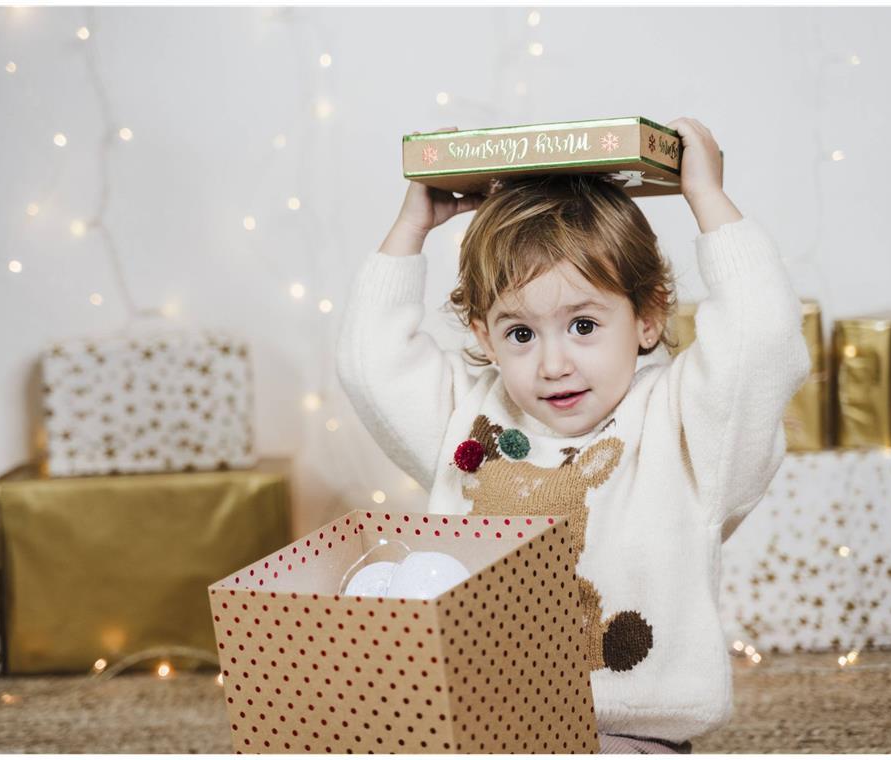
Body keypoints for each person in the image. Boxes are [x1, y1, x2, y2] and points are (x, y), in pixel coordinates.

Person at [336, 118, 810, 753]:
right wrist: (410, 229)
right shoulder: (468, 415)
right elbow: (370, 365)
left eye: (583, 325)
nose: (553, 363)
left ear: (647, 317)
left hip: (627, 732)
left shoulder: (685, 423)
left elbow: (760, 343)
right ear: (483, 336)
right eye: (521, 334)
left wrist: (708, 199)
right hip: (486, 725)